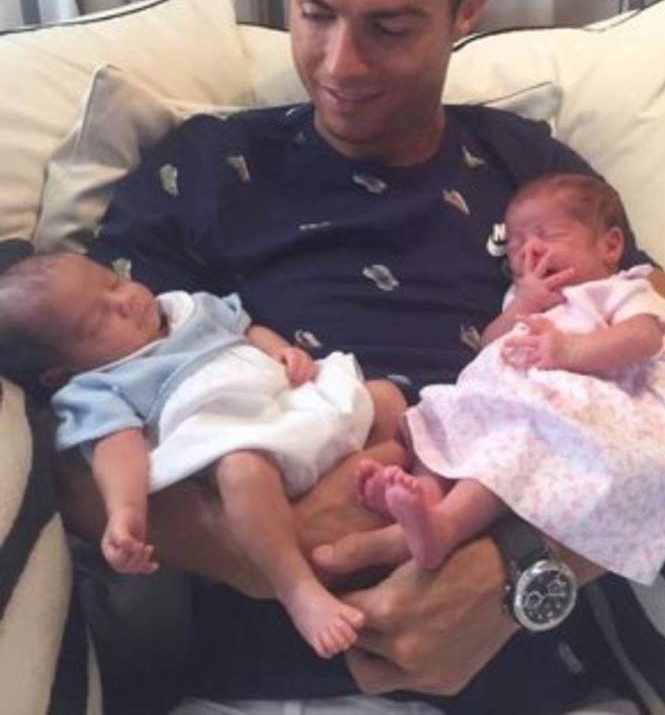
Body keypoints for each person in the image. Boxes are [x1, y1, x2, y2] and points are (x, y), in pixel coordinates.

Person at [53, 0, 665, 714]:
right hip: (274, 685)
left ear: (465, 10)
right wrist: (262, 549)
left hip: (539, 679)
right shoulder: (203, 169)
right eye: (314, 13)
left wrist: (517, 571)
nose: (339, 65)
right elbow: (79, 436)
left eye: (388, 27)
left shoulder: (531, 172)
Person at [0, 251, 404, 658]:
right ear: (60, 371)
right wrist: (126, 512)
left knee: (383, 398)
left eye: (112, 281)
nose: (125, 300)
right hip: (242, 440)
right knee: (241, 474)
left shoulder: (186, 308)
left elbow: (247, 329)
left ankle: (410, 496)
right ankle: (298, 589)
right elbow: (116, 448)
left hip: (296, 406)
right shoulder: (101, 386)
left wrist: (283, 352)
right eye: (97, 320)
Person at [354, 173, 665, 584]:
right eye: (515, 244)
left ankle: (447, 526)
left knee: (516, 443)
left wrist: (569, 351)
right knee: (440, 416)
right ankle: (422, 501)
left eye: (548, 235)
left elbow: (641, 340)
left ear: (610, 246)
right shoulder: (523, 299)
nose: (529, 249)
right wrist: (523, 305)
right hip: (509, 394)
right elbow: (489, 344)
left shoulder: (618, 288)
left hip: (596, 396)